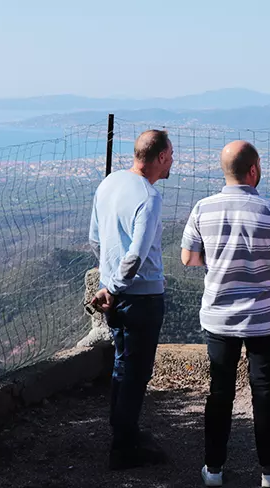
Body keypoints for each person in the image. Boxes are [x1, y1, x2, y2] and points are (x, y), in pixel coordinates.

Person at [180, 140, 270, 488]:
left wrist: (219, 262)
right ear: (253, 169)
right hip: (263, 316)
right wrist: (262, 258)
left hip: (219, 316)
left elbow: (188, 258)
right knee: (263, 390)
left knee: (220, 392)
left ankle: (213, 468)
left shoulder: (203, 209)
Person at [88, 129, 173, 470]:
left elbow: (95, 238)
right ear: (162, 157)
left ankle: (124, 433)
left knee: (123, 366)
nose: (173, 163)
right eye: (171, 156)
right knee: (137, 372)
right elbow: (136, 256)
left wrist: (107, 284)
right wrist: (118, 287)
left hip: (114, 296)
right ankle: (124, 448)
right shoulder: (149, 197)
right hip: (140, 297)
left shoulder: (109, 183)